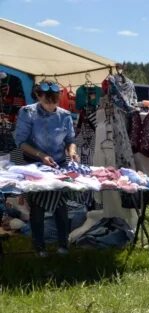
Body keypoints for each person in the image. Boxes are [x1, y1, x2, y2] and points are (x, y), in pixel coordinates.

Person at [14, 79, 79, 257]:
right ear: (37, 95)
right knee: (37, 206)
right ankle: (39, 247)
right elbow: (20, 142)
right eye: (46, 101)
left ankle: (63, 245)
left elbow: (70, 140)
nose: (51, 105)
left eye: (54, 101)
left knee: (60, 206)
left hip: (58, 165)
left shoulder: (65, 115)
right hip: (35, 165)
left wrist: (72, 152)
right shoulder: (27, 112)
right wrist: (41, 155)